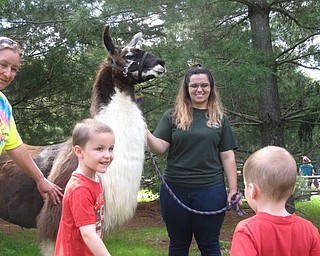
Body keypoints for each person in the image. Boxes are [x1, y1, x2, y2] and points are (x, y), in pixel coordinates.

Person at [147, 64, 238, 256]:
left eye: (204, 85)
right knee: (178, 244)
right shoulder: (171, 116)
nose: (199, 89)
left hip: (210, 190)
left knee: (209, 244)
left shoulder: (220, 119)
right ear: (186, 89)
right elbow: (160, 147)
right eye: (194, 85)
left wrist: (234, 189)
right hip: (174, 190)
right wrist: (144, 132)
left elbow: (228, 155)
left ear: (211, 88)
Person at [0, 36, 62, 204]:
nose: (7, 74)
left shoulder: (3, 106)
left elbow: (15, 146)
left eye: (14, 69)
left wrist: (40, 179)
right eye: (3, 65)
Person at [230, 146, 320, 256]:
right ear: (292, 189)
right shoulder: (310, 230)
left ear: (252, 190)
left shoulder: (247, 231)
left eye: (245, 186)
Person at [55, 118, 114, 256]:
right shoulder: (79, 189)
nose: (108, 155)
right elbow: (88, 235)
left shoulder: (95, 179)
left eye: (111, 148)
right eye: (99, 149)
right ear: (79, 151)